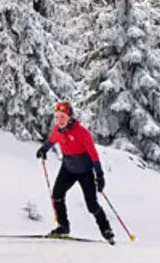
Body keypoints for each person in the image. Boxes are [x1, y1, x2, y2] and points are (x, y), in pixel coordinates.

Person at [36, 100, 114, 243]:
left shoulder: (81, 132)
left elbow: (93, 155)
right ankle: (63, 226)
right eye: (57, 117)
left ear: (70, 117)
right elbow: (51, 140)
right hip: (68, 169)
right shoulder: (57, 129)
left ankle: (106, 229)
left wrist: (100, 175)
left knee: (92, 205)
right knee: (57, 195)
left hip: (85, 172)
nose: (59, 120)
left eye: (63, 117)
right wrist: (43, 149)